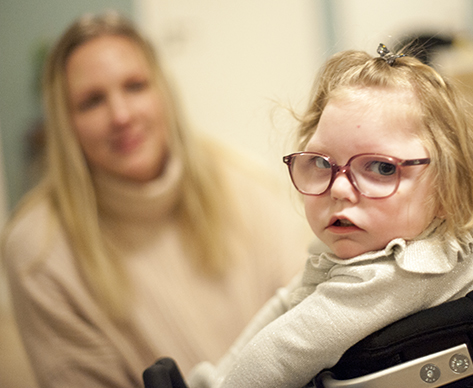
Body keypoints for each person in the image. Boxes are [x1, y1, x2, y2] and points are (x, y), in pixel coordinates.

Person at [182, 44, 473, 388]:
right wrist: (210, 379)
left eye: (380, 167)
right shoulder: (379, 240)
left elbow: (281, 352)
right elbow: (285, 304)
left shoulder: (405, 272)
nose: (339, 189)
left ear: (447, 192)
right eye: (321, 163)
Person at [1, 11, 310, 388]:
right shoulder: (38, 251)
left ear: (163, 92)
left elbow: (309, 317)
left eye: (135, 86)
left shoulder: (244, 182)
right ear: (65, 123)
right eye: (92, 101)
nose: (121, 115)